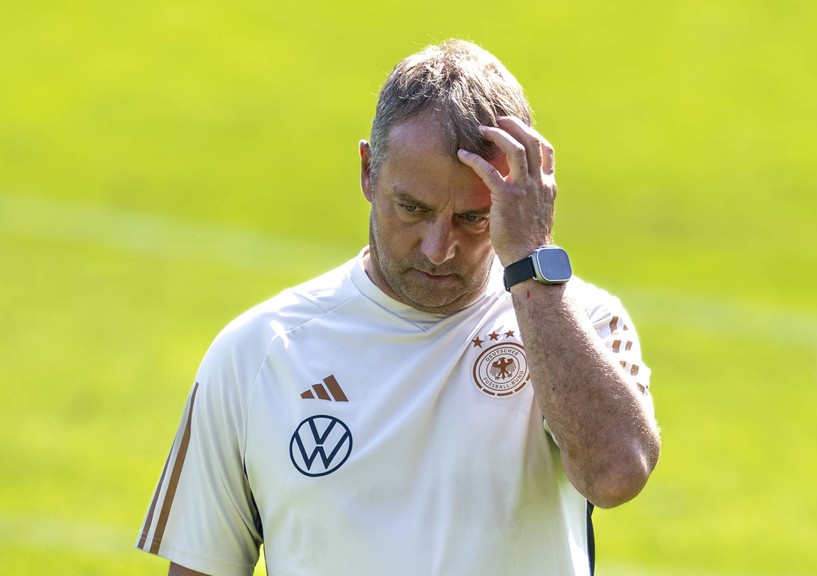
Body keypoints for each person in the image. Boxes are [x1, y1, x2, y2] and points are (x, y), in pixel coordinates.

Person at [136, 39, 661, 576]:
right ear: (368, 171)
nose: (438, 248)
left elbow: (617, 474)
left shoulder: (579, 324)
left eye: (473, 218)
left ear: (522, 200)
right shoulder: (257, 353)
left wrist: (528, 259)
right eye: (413, 208)